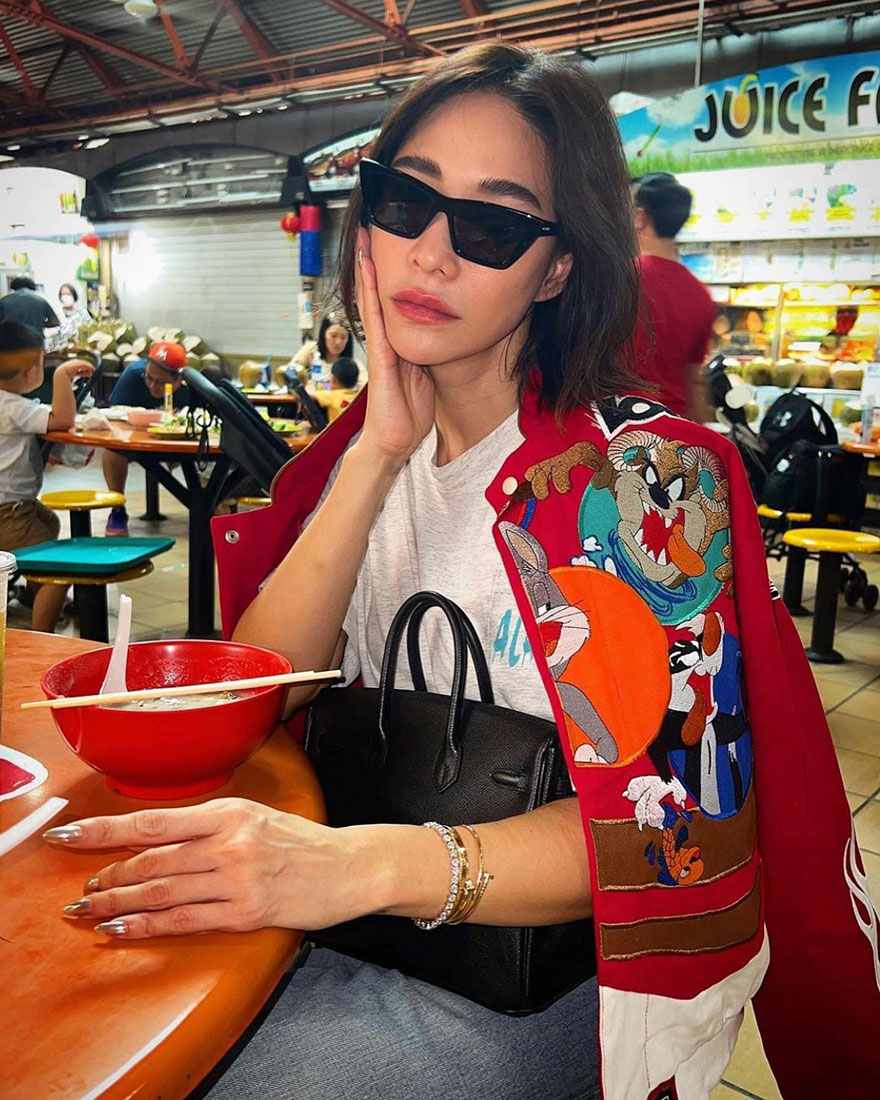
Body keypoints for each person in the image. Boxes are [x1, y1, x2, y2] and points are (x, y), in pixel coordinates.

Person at [43, 44, 879, 1100]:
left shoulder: (641, 485)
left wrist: (357, 867)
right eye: (406, 203)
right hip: (337, 908)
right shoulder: (361, 447)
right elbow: (258, 694)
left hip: (525, 977)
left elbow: (671, 824)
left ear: (557, 267)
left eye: (490, 225)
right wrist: (374, 458)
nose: (431, 253)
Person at [0, 320, 93, 631]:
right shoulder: (12, 406)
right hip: (8, 513)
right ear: (31, 372)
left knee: (49, 523)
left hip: (16, 506)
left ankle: (32, 593)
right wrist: (62, 376)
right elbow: (62, 419)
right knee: (59, 570)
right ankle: (43, 638)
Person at [631, 172, 717, 421]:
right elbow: (694, 380)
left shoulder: (619, 279)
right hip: (674, 425)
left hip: (621, 422)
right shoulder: (700, 294)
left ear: (640, 217)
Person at [102, 341, 187, 536]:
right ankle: (117, 509)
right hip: (135, 439)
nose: (153, 386)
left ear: (179, 380)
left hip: (177, 440)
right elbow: (115, 417)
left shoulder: (190, 387)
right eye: (149, 378)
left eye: (161, 383)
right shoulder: (133, 376)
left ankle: (208, 510)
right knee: (113, 450)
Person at [291, 311, 359, 387]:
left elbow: (363, 385)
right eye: (333, 336)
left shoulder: (351, 363)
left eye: (343, 337)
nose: (338, 342)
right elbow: (290, 372)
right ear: (323, 334)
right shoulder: (311, 350)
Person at [309, 355, 360, 422]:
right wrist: (323, 385)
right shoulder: (357, 396)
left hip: (337, 428)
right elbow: (326, 386)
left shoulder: (332, 395)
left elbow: (309, 394)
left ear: (333, 379)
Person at [46, 283, 91, 352]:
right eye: (63, 294)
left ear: (74, 295)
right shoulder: (57, 313)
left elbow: (89, 330)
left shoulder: (82, 313)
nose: (65, 296)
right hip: (59, 351)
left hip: (78, 350)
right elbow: (51, 331)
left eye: (68, 294)